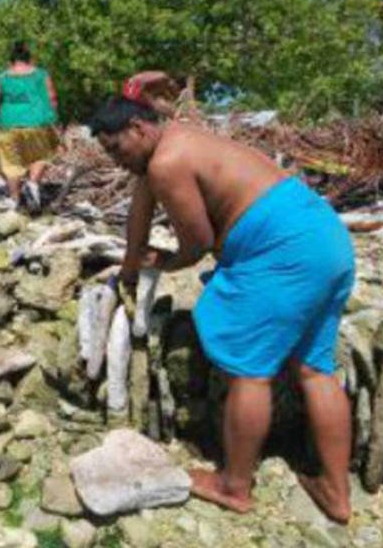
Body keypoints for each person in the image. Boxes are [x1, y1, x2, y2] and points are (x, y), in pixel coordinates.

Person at [86, 93, 356, 524]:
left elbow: (198, 243)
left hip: (281, 252)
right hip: (327, 239)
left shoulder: (166, 162)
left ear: (138, 129)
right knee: (314, 369)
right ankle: (337, 494)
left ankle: (234, 485)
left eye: (116, 149)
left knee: (250, 371)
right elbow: (140, 211)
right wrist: (130, 267)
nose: (115, 160)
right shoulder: (178, 139)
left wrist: (166, 262)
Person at [0, 40, 60, 212]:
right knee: (41, 155)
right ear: (30, 59)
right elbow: (52, 98)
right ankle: (33, 184)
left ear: (11, 61)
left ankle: (14, 199)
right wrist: (53, 118)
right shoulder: (42, 75)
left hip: (8, 125)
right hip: (38, 123)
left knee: (11, 164)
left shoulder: (1, 78)